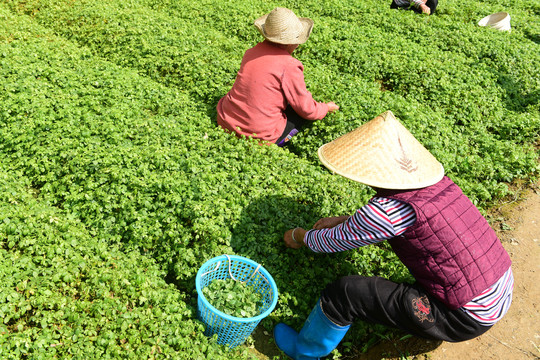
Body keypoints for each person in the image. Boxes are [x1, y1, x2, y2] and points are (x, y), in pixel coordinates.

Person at [273, 111, 513, 359]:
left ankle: (304, 351)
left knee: (345, 293)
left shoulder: (388, 210)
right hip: (499, 285)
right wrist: (345, 221)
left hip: (465, 316)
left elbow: (328, 243)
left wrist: (300, 236)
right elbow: (391, 224)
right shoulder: (439, 183)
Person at [216, 7, 339, 147]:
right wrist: (325, 108)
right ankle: (280, 143)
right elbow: (306, 109)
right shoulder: (290, 66)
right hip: (259, 135)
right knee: (297, 114)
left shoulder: (250, 52)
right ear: (291, 42)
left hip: (225, 121)